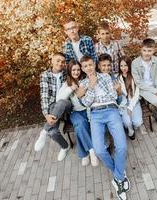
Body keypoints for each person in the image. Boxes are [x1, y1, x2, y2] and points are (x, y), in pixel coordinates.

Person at [79, 55, 129, 200]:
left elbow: (113, 94)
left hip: (111, 110)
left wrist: (93, 94)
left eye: (90, 64)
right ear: (82, 68)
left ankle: (118, 178)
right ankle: (119, 174)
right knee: (99, 150)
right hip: (95, 115)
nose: (88, 67)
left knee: (122, 147)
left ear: (94, 64)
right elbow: (86, 103)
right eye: (85, 66)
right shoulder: (83, 83)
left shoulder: (106, 76)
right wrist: (92, 86)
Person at [57, 60, 99, 166]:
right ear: (70, 71)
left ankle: (83, 154)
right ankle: (92, 151)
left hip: (87, 109)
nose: (76, 72)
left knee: (79, 127)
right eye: (73, 70)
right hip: (75, 112)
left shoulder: (84, 79)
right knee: (79, 123)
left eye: (78, 70)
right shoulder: (67, 83)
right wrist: (71, 88)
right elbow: (59, 99)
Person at [34, 52, 71, 161]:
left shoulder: (66, 73)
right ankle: (65, 147)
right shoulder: (45, 75)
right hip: (53, 108)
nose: (60, 63)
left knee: (61, 103)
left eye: (63, 62)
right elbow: (44, 96)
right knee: (53, 132)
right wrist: (46, 114)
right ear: (52, 61)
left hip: (67, 104)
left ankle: (44, 131)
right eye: (58, 60)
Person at [118, 56, 143, 140]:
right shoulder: (118, 78)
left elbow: (137, 94)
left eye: (125, 65)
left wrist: (131, 107)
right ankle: (130, 131)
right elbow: (119, 95)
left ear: (129, 65)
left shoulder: (134, 76)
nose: (123, 68)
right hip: (123, 103)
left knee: (138, 123)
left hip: (134, 102)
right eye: (121, 66)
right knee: (127, 123)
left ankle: (134, 126)